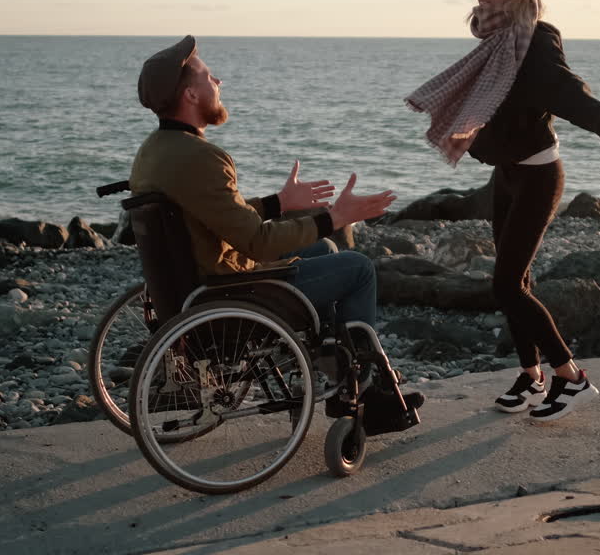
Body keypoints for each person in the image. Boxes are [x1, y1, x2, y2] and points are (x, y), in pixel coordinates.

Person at [406, 0, 600, 423]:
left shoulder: (536, 38)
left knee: (505, 282)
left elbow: (563, 89)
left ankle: (571, 377)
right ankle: (531, 374)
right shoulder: (495, 37)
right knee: (512, 283)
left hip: (539, 174)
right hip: (506, 172)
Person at [129, 35, 422, 430]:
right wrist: (334, 215)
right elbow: (257, 242)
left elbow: (209, 217)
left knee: (323, 250)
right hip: (230, 294)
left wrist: (278, 204)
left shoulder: (154, 151)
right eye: (208, 76)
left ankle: (335, 365)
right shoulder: (204, 158)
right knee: (357, 268)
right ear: (190, 95)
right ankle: (363, 394)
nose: (218, 81)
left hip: (191, 288)